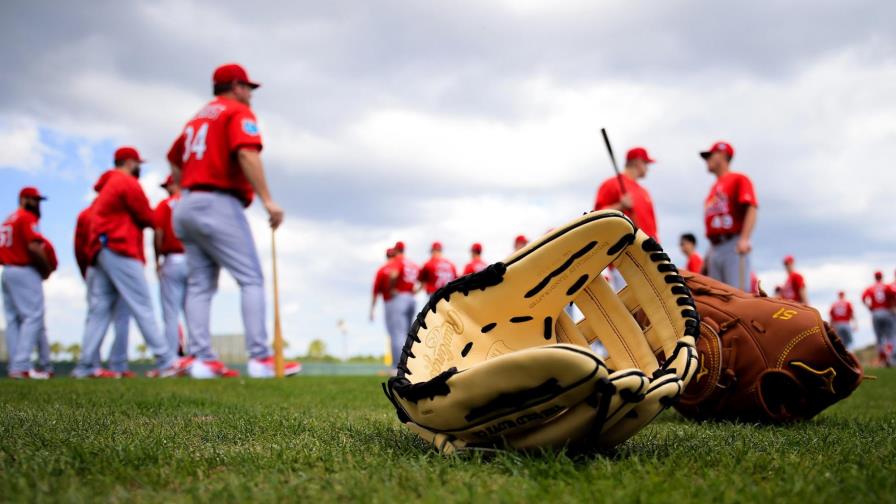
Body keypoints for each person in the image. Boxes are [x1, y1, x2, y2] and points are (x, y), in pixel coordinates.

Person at [168, 63, 300, 378]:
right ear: (237, 86)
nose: (251, 94)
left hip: (186, 203)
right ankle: (260, 358)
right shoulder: (237, 111)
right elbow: (247, 153)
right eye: (248, 88)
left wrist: (187, 188)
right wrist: (268, 200)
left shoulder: (197, 117)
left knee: (199, 285)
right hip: (217, 202)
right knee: (251, 279)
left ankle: (202, 360)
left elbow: (173, 160)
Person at [72, 148, 183, 379]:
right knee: (142, 305)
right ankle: (166, 360)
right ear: (129, 162)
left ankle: (85, 367)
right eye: (137, 163)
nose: (139, 167)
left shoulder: (108, 185)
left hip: (101, 251)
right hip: (120, 248)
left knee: (99, 311)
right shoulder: (125, 181)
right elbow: (148, 217)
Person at [74, 177, 133, 378]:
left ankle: (95, 365)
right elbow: (79, 247)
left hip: (96, 266)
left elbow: (78, 249)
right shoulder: (110, 213)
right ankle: (100, 365)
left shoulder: (88, 213)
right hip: (109, 265)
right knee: (110, 316)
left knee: (101, 315)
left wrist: (86, 270)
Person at [0, 187, 57, 379]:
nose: (37, 204)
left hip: (7, 271)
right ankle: (22, 366)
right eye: (34, 200)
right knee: (33, 317)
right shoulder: (26, 217)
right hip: (23, 269)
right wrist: (46, 269)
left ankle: (15, 367)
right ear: (23, 199)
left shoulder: (9, 218)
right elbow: (33, 246)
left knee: (13, 321)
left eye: (38, 200)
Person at [701, 141, 758, 290]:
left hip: (733, 244)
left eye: (710, 155)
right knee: (716, 298)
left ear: (723, 155)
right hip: (715, 248)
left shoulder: (738, 179)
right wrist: (708, 256)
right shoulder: (713, 188)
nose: (707, 160)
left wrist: (744, 239)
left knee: (737, 296)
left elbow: (751, 207)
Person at [154, 175, 188, 358]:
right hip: (194, 260)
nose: (167, 189)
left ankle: (172, 359)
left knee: (170, 313)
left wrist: (157, 260)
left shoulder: (164, 204)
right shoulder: (192, 202)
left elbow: (158, 233)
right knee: (194, 311)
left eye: (167, 186)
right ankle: (200, 357)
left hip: (172, 259)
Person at [594, 147, 659, 240]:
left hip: (647, 244)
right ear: (638, 162)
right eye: (645, 163)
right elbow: (597, 216)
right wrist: (621, 205)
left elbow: (652, 226)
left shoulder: (644, 192)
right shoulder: (611, 184)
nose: (647, 168)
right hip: (624, 243)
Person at [382, 241, 418, 369]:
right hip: (411, 297)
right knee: (408, 334)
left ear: (396, 250)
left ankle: (398, 368)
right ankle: (410, 367)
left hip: (400, 297)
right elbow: (420, 279)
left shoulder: (398, 260)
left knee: (398, 334)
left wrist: (391, 288)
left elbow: (394, 275)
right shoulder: (411, 263)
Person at [862, 271, 895, 365]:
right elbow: (894, 294)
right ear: (882, 277)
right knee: (890, 336)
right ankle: (890, 357)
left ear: (875, 277)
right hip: (887, 311)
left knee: (879, 337)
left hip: (876, 313)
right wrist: (893, 307)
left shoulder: (871, 287)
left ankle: (882, 359)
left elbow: (863, 297)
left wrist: (870, 307)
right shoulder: (887, 286)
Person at [370, 247, 396, 321]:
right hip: (404, 302)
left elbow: (375, 293)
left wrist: (372, 310)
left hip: (389, 303)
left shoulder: (381, 271)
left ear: (387, 256)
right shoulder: (401, 268)